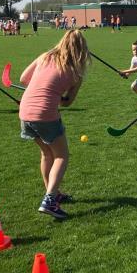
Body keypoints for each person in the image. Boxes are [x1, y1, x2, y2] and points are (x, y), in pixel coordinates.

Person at [18, 29, 90, 220]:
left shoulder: (45, 57)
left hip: (25, 111)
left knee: (46, 153)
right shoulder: (75, 73)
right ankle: (50, 200)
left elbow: (24, 79)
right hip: (44, 114)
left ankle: (52, 193)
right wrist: (56, 94)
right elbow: (66, 103)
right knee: (61, 156)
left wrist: (42, 88)